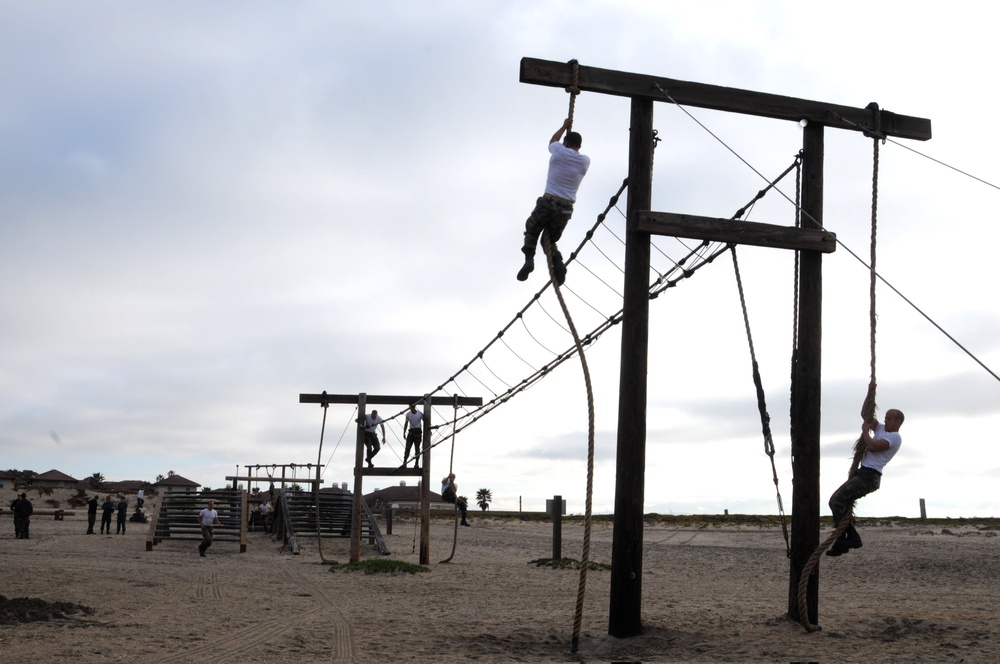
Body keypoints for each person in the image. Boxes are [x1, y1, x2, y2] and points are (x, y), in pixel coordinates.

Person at [827, 390, 904, 557]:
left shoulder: (895, 437)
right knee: (839, 503)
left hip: (870, 477)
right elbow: (865, 414)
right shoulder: (882, 429)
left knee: (836, 501)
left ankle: (849, 539)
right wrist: (870, 392)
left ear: (898, 421)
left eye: (889, 418)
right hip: (863, 474)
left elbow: (874, 447)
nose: (885, 420)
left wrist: (864, 432)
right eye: (885, 417)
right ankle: (846, 539)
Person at [516, 117, 591, 285]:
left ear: (566, 142)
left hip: (549, 202)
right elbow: (564, 144)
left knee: (532, 229)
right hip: (566, 209)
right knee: (548, 240)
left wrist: (564, 126)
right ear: (579, 146)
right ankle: (558, 262)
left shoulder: (559, 150)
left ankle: (529, 259)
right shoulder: (585, 161)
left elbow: (553, 140)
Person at [402, 404, 424, 469]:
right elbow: (406, 423)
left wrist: (429, 429)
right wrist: (404, 432)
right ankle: (404, 462)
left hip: (418, 431)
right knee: (407, 448)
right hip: (411, 431)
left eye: (413, 407)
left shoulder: (420, 414)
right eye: (411, 407)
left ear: (415, 407)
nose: (412, 408)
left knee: (417, 448)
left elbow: (425, 420)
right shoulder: (408, 414)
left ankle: (416, 463)